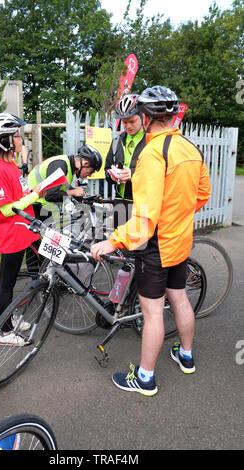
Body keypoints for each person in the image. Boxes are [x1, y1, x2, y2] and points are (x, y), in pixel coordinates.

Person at [91, 86, 211, 396]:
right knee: (180, 298)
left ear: (145, 118)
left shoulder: (152, 154)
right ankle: (185, 356)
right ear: (172, 116)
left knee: (153, 311)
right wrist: (178, 215)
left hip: (156, 245)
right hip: (180, 240)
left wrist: (113, 241)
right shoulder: (191, 148)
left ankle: (145, 378)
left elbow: (144, 220)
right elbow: (203, 195)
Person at [0, 112, 47, 346]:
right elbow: (7, 209)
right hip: (9, 234)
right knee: (7, 284)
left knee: (12, 281)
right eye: (16, 136)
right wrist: (34, 196)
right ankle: (5, 333)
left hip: (21, 231)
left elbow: (20, 193)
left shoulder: (10, 165)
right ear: (5, 140)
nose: (20, 140)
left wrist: (35, 191)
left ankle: (9, 319)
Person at [27, 144, 102, 222]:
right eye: (91, 171)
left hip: (41, 208)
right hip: (33, 207)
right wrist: (73, 192)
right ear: (85, 164)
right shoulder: (61, 165)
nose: (90, 175)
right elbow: (50, 195)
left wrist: (84, 199)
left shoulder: (69, 167)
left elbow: (62, 188)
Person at [104, 93, 146, 228]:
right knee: (119, 246)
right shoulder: (117, 141)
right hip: (120, 203)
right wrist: (112, 175)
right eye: (124, 122)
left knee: (139, 246)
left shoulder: (151, 141)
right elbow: (107, 170)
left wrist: (132, 174)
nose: (128, 126)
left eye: (132, 121)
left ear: (143, 117)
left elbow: (159, 173)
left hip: (142, 204)